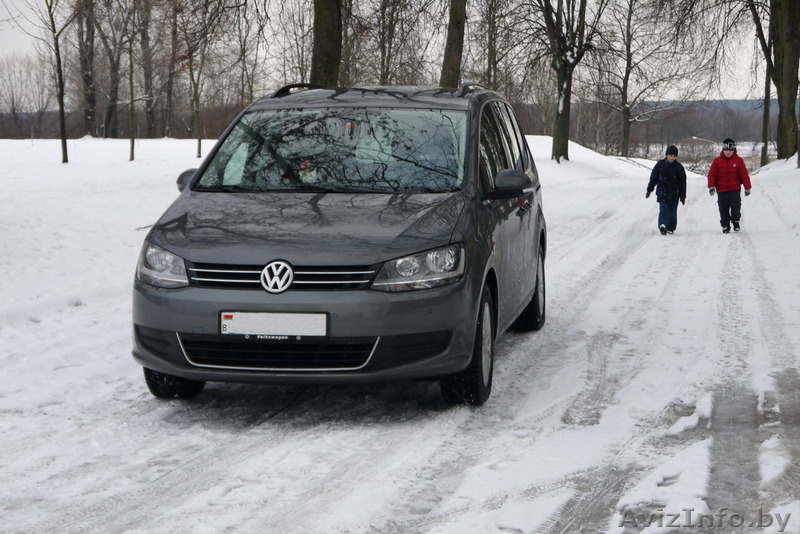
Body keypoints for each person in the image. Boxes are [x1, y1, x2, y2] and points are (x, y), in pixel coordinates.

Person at [707, 138, 752, 233]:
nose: (728, 152)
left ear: (734, 150)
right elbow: (712, 174)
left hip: (734, 188)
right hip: (721, 189)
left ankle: (736, 221)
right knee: (723, 208)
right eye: (726, 150)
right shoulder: (717, 161)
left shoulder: (739, 161)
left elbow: (744, 174)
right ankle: (725, 224)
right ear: (723, 150)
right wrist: (711, 186)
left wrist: (747, 187)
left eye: (730, 150)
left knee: (735, 207)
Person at [646, 145, 687, 235]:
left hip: (674, 193)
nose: (672, 157)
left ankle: (671, 227)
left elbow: (683, 183)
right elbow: (653, 177)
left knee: (672, 210)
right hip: (662, 191)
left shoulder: (679, 167)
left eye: (674, 156)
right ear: (667, 155)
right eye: (670, 155)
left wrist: (682, 196)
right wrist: (649, 189)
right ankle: (662, 225)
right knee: (663, 208)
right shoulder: (660, 165)